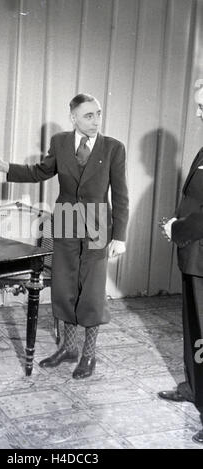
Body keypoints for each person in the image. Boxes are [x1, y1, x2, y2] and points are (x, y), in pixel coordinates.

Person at [0, 93, 129, 379]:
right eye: (88, 115)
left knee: (90, 291)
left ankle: (88, 356)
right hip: (65, 221)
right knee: (65, 286)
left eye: (98, 114)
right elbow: (42, 171)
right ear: (73, 117)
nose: (95, 121)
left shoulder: (114, 148)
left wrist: (120, 236)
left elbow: (122, 195)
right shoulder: (61, 142)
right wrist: (7, 169)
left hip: (98, 224)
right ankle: (69, 349)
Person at [158, 79, 203, 444]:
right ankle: (194, 387)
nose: (199, 113)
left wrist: (178, 228)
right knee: (194, 331)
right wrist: (177, 226)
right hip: (194, 255)